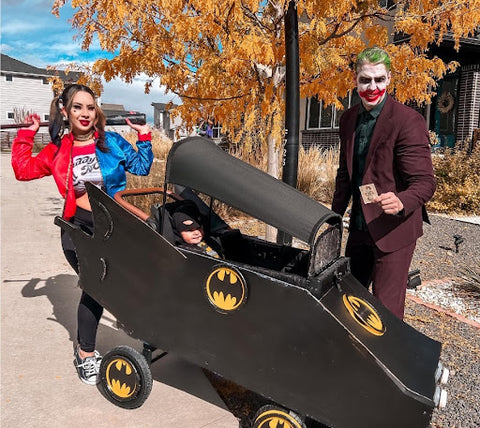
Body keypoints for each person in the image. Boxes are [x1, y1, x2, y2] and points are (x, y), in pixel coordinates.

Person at [11, 83, 154, 384]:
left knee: (135, 279)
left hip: (115, 228)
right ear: (65, 111)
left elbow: (142, 166)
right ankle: (85, 354)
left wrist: (144, 135)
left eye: (90, 107)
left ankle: (150, 333)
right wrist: (26, 134)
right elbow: (23, 170)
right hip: (79, 230)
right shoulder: (58, 150)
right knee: (97, 287)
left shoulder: (111, 142)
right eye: (77, 107)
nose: (85, 113)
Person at [331, 47, 436, 319]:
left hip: (394, 230)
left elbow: (425, 183)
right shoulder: (348, 119)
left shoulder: (407, 121)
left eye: (379, 79)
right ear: (355, 80)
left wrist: (402, 200)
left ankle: (388, 362)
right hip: (359, 226)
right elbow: (345, 174)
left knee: (385, 314)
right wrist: (332, 217)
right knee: (348, 301)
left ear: (389, 78)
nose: (372, 86)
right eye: (365, 79)